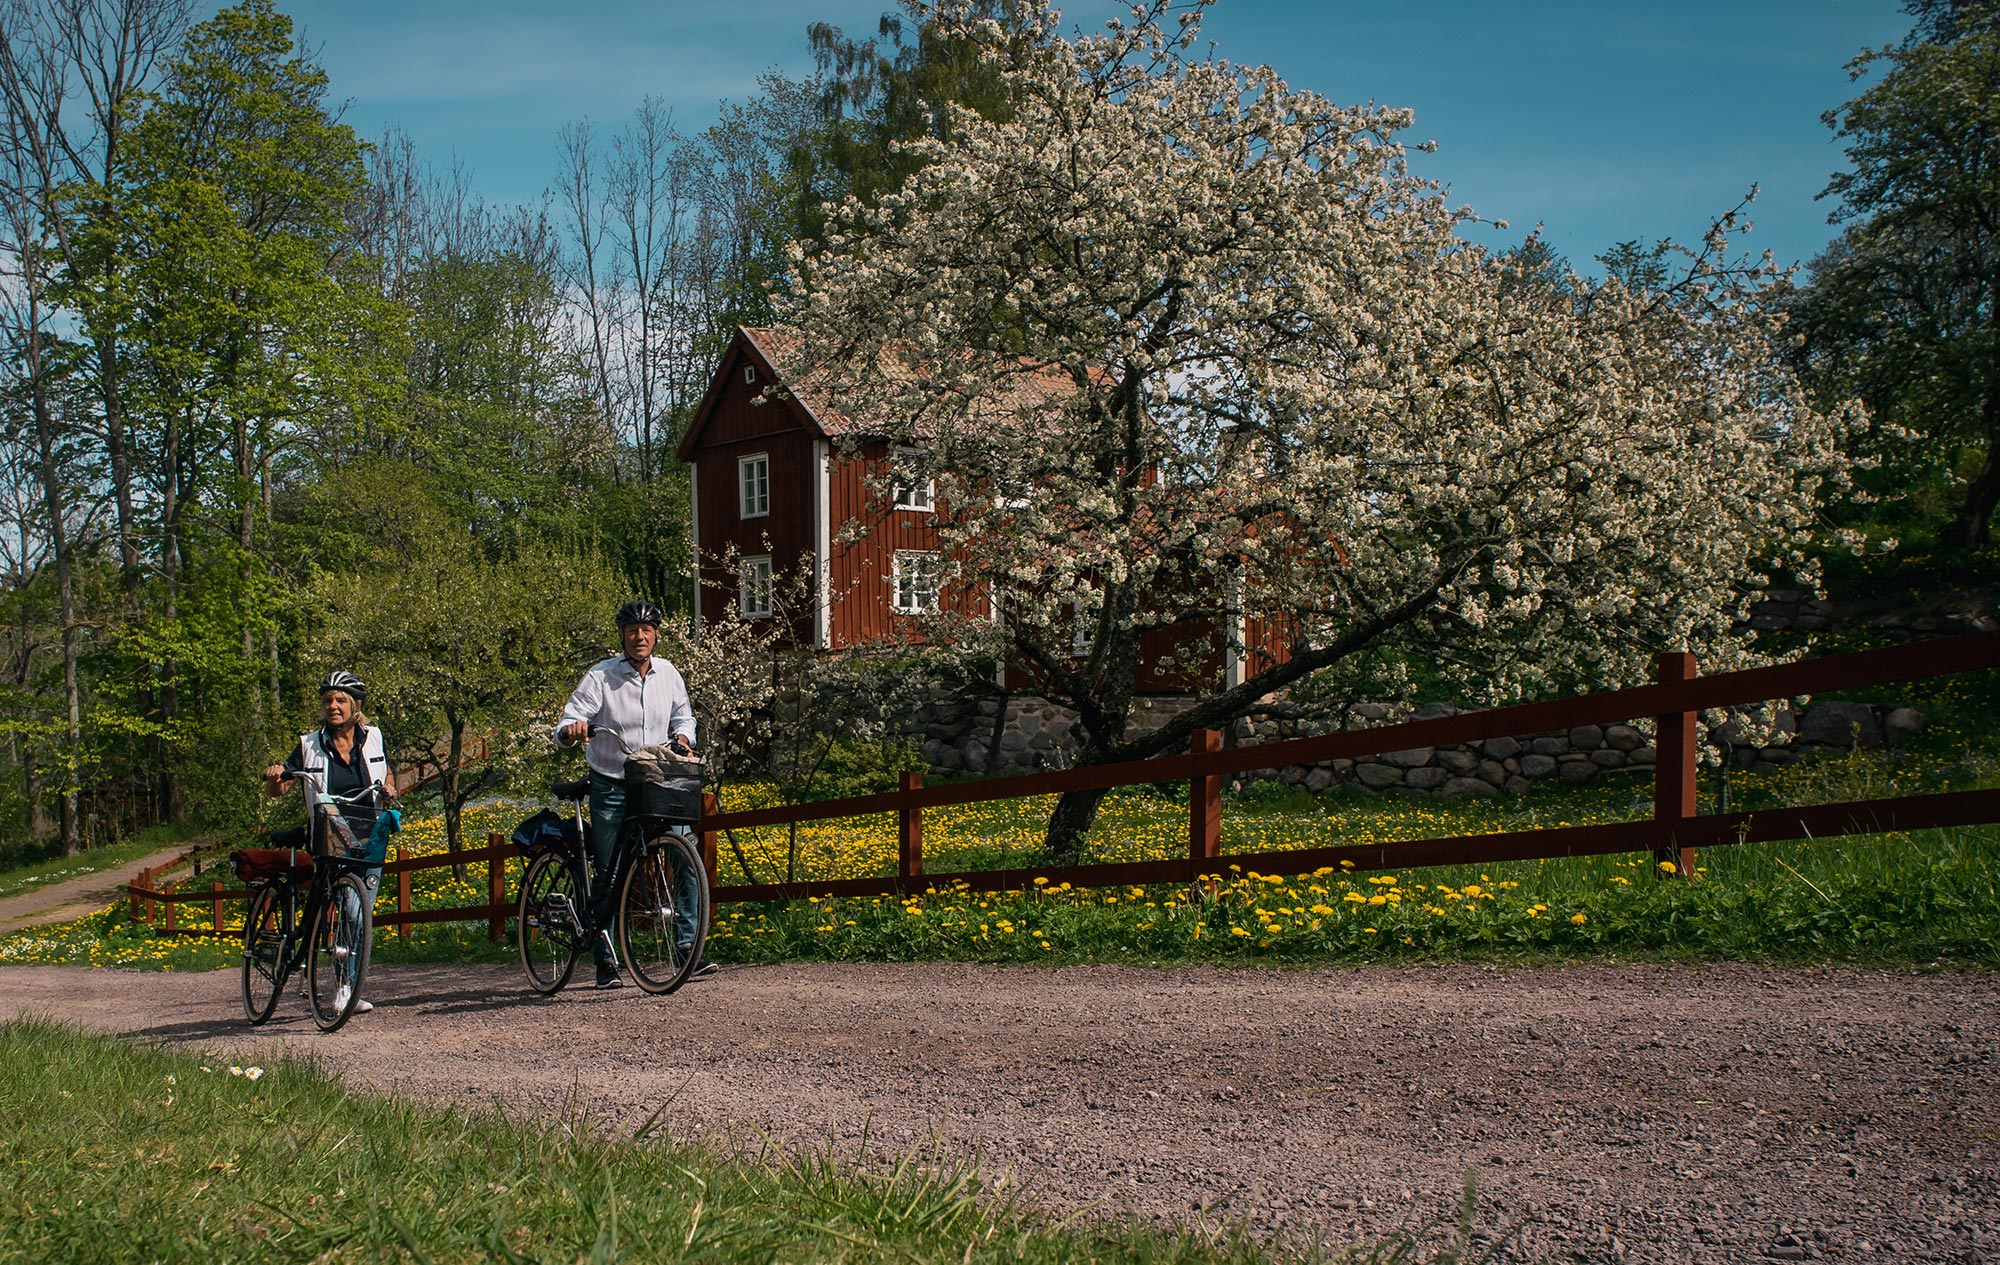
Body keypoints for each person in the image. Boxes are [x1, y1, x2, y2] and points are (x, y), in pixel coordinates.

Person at [555, 599, 710, 989]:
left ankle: (687, 947)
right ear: (622, 636)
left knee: (682, 849)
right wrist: (573, 729)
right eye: (632, 631)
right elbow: (571, 718)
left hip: (656, 778)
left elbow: (684, 715)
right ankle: (606, 956)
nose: (639, 637)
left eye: (646, 630)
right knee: (610, 869)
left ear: (656, 634)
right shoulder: (601, 676)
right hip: (611, 781)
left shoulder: (669, 674)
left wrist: (682, 738)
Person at [264, 670, 397, 1015]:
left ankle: (347, 986)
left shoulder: (374, 738)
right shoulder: (309, 744)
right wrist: (275, 777)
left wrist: (391, 788)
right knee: (348, 910)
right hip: (328, 835)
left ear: (355, 706)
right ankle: (342, 986)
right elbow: (281, 788)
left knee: (358, 916)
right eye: (328, 701)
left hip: (370, 832)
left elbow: (388, 771)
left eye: (340, 700)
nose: (333, 706)